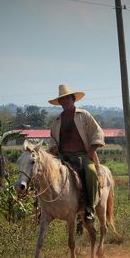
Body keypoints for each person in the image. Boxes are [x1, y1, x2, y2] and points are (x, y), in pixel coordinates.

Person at [48, 84, 105, 222]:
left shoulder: (84, 115)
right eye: (62, 100)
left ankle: (89, 208)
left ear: (73, 99)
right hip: (63, 157)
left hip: (83, 155)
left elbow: (98, 132)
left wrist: (91, 152)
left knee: (91, 172)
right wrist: (53, 147)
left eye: (68, 98)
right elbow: (52, 139)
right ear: (59, 102)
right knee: (44, 174)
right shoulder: (57, 121)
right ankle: (47, 208)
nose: (65, 102)